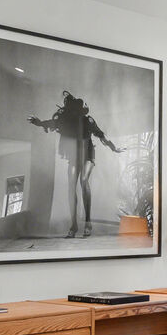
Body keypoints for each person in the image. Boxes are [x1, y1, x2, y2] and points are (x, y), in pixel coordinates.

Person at [28, 91, 125, 238]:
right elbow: (51, 123)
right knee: (71, 185)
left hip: (87, 154)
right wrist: (38, 122)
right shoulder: (65, 120)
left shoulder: (88, 121)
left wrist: (114, 148)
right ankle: (73, 225)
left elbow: (102, 136)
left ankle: (88, 222)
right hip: (74, 155)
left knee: (84, 180)